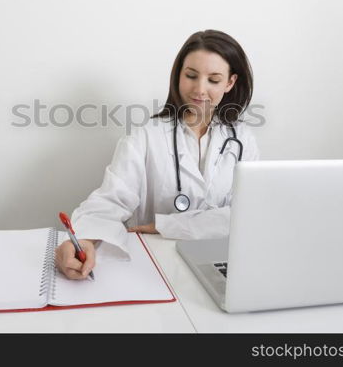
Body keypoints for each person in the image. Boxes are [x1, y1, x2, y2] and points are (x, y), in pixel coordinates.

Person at [56, 30, 260, 280]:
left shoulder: (242, 140)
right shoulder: (145, 137)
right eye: (191, 76)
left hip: (221, 262)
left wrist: (167, 226)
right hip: (155, 266)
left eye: (214, 80)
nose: (199, 89)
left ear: (230, 83)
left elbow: (249, 213)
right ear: (178, 76)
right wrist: (83, 239)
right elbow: (110, 201)